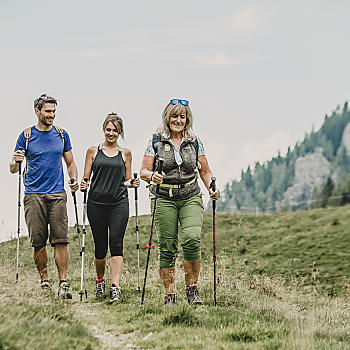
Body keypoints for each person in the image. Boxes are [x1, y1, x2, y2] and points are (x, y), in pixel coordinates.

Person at [140, 98, 220, 305]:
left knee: (192, 240)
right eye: (174, 116)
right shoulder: (156, 141)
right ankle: (170, 294)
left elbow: (205, 170)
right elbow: (143, 171)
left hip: (190, 195)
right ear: (167, 118)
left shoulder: (194, 141)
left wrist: (212, 186)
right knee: (167, 246)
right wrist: (152, 176)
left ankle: (192, 290)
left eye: (182, 116)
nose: (178, 120)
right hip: (163, 197)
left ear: (187, 119)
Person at [10, 93, 78, 299]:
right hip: (33, 194)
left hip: (57, 193)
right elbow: (13, 168)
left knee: (61, 240)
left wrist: (73, 179)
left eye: (54, 112)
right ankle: (44, 280)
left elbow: (71, 163)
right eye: (48, 111)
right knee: (38, 241)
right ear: (37, 111)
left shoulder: (62, 134)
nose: (52, 115)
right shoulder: (26, 135)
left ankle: (63, 282)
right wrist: (15, 160)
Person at [80, 112, 140, 304]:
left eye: (115, 130)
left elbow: (127, 180)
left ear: (120, 132)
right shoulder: (92, 151)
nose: (111, 133)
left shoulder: (126, 153)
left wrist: (134, 183)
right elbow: (86, 178)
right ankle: (100, 281)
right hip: (96, 203)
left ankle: (115, 287)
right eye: (108, 129)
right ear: (103, 129)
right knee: (100, 246)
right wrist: (83, 184)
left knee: (116, 244)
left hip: (118, 203)